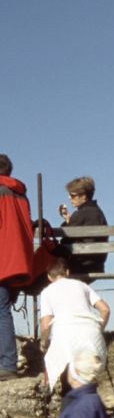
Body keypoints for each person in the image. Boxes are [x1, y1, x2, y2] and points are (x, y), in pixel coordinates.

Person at [39, 258, 110, 389]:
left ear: (49, 277)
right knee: (87, 374)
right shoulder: (82, 285)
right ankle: (91, 403)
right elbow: (105, 309)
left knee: (68, 377)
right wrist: (99, 329)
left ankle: (71, 403)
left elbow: (45, 325)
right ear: (67, 272)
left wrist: (44, 343)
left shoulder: (46, 292)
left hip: (64, 334)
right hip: (90, 331)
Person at [0, 153, 33, 381]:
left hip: (2, 258)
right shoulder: (20, 192)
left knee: (1, 312)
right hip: (18, 260)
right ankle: (8, 363)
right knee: (3, 310)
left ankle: (8, 364)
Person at [58, 176, 108, 276]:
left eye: (72, 195)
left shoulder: (81, 214)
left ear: (84, 196)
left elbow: (65, 242)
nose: (69, 198)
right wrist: (69, 220)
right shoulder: (98, 213)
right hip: (97, 265)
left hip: (79, 265)